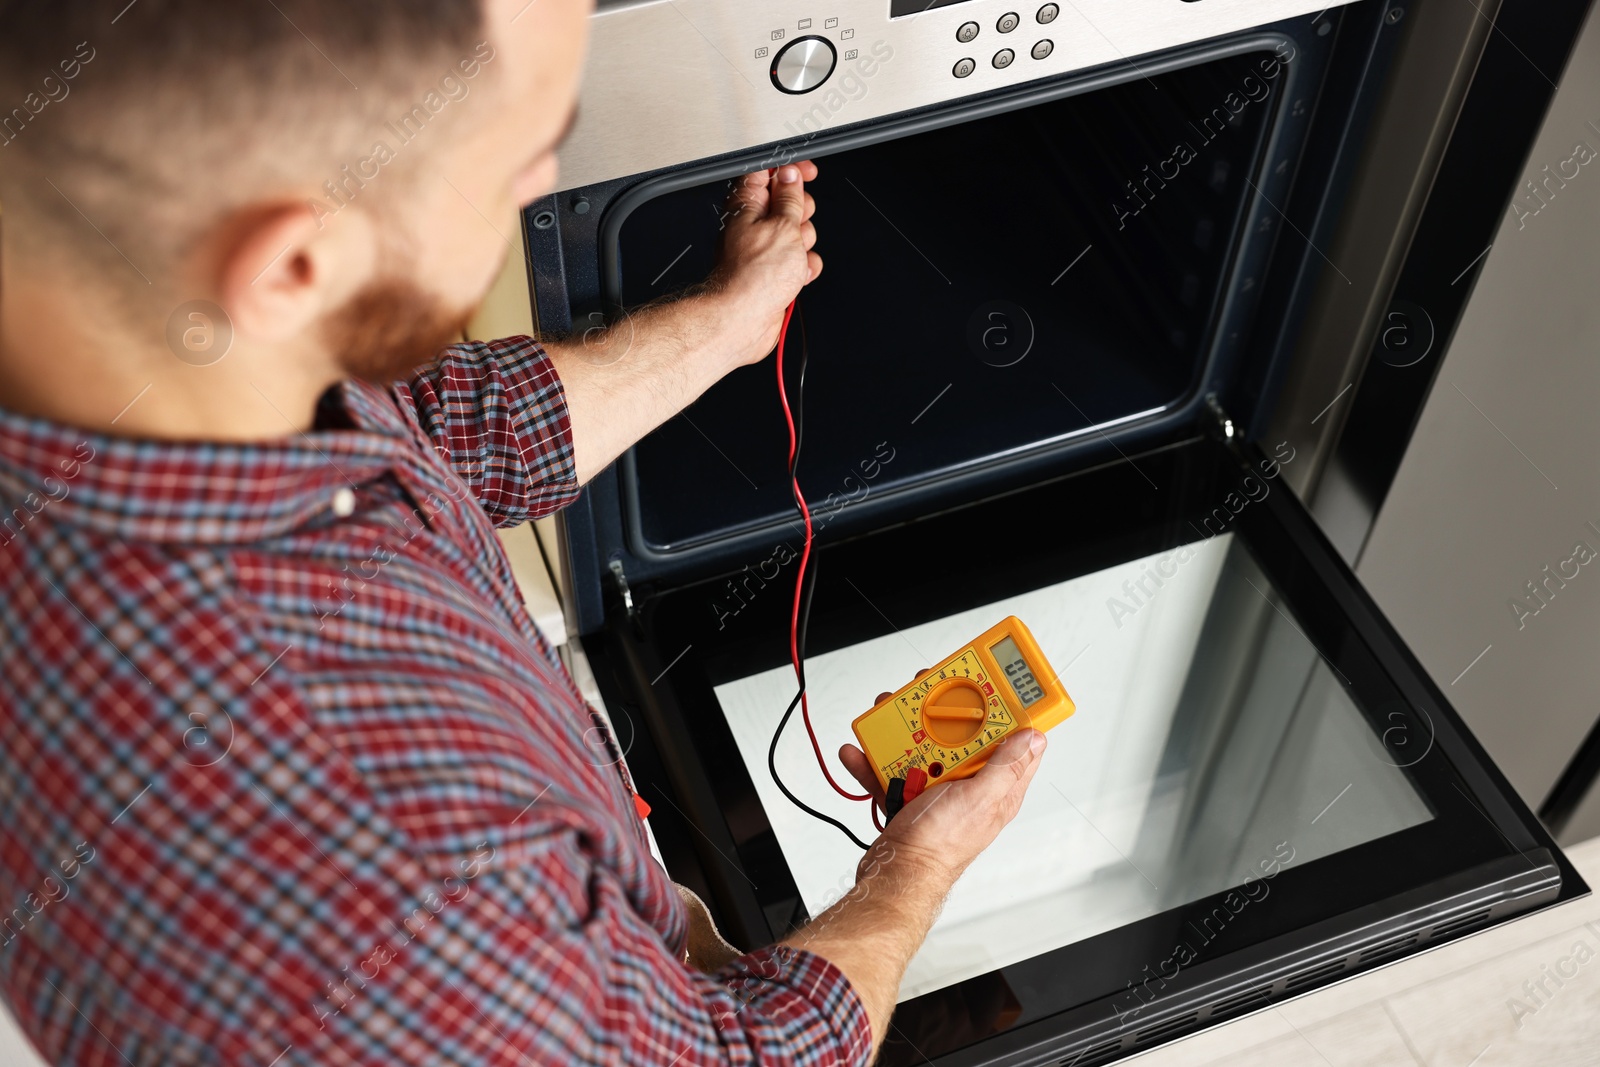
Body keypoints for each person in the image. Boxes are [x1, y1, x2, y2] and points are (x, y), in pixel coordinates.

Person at [0, 1, 1048, 1064]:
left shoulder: (135, 361)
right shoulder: (400, 871)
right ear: (289, 268)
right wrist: (911, 870)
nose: (541, 188)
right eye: (513, 157)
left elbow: (426, 429)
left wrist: (729, 323)